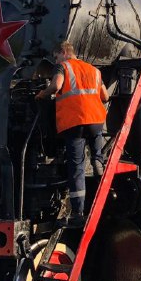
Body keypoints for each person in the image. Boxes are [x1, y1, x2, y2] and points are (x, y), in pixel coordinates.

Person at [36, 42, 109, 221]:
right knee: (97, 157)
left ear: (63, 52)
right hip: (96, 122)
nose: (56, 61)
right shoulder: (94, 70)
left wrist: (42, 94)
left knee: (77, 167)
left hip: (75, 122)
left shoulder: (63, 67)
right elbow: (106, 96)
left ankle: (78, 211)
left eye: (56, 57)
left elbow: (56, 86)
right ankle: (98, 162)